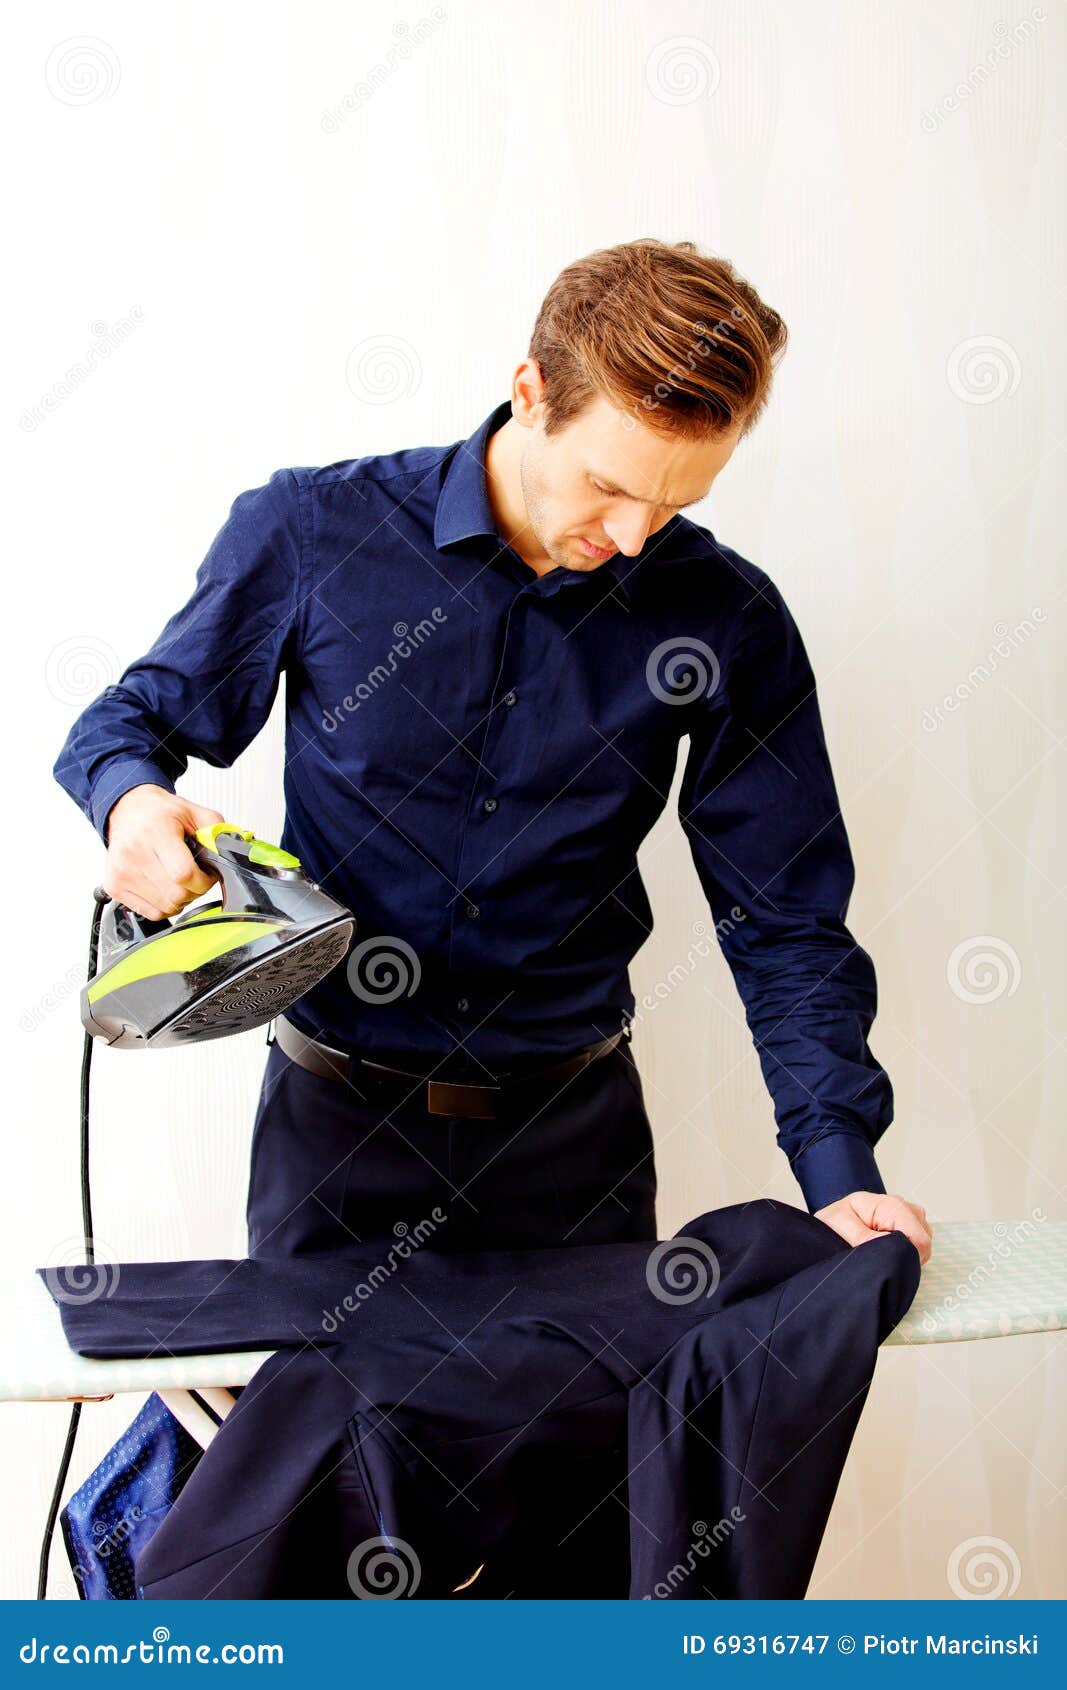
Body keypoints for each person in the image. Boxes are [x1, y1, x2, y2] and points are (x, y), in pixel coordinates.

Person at [54, 238, 932, 1268]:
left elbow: (783, 920)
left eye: (676, 502)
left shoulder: (726, 618)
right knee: (310, 1432)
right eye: (607, 485)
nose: (637, 536)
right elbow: (125, 725)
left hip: (573, 1152)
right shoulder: (311, 531)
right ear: (529, 391)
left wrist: (840, 1178)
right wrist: (134, 805)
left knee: (585, 1436)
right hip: (331, 1142)